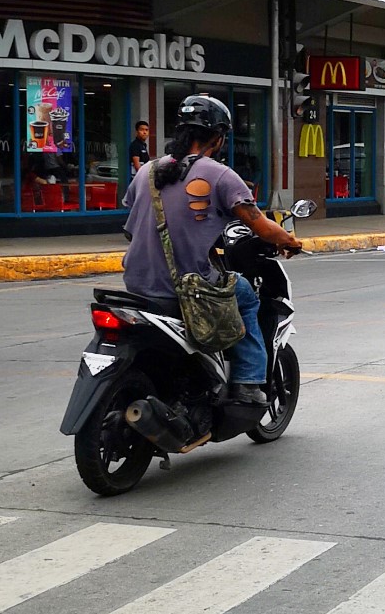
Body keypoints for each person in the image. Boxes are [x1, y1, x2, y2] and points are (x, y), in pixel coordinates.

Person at [122, 94, 300, 406]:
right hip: (187, 288)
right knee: (246, 296)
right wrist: (289, 240)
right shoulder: (220, 174)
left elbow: (130, 228)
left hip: (135, 285)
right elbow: (259, 225)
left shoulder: (147, 171)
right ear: (217, 138)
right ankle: (247, 383)